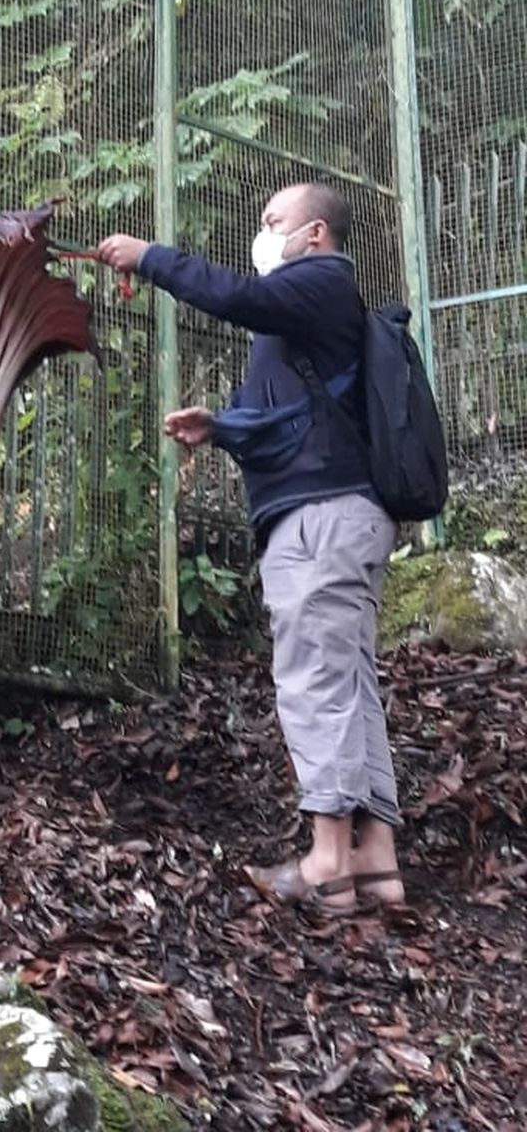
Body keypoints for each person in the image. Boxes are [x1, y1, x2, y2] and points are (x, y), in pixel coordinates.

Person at [98, 184, 404, 916]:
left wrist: (153, 257)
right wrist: (224, 427)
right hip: (337, 511)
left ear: (316, 233)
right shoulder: (311, 307)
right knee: (349, 681)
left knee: (316, 681)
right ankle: (377, 863)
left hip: (320, 519)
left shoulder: (320, 283)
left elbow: (234, 295)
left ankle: (328, 861)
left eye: (274, 222)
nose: (262, 233)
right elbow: (294, 417)